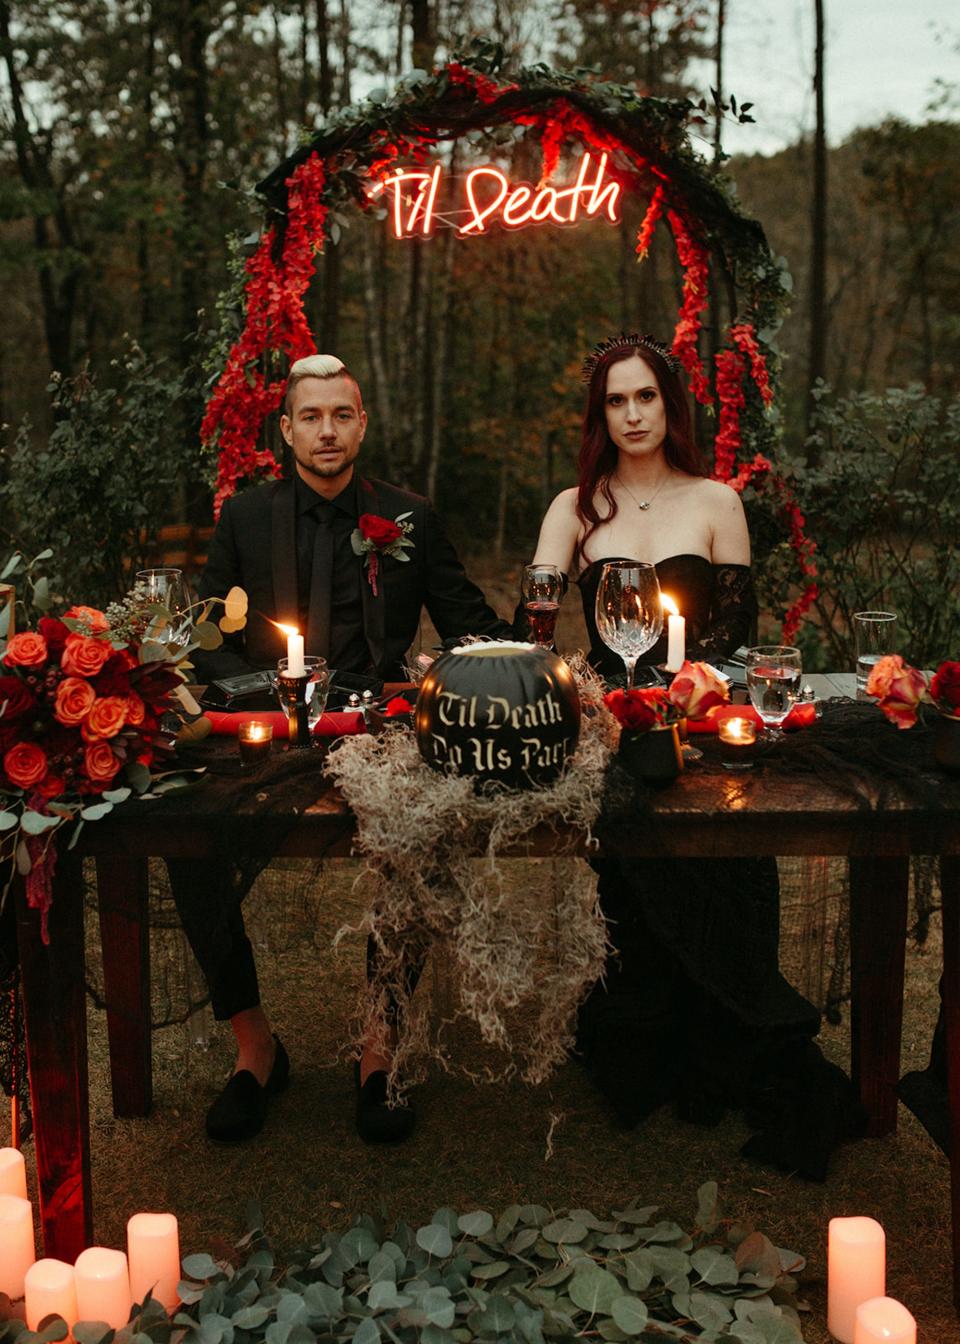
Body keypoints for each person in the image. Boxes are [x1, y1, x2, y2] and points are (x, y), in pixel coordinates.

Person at [527, 333, 864, 1179]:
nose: (633, 414)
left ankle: (733, 1032)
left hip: (705, 722)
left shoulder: (716, 500)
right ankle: (646, 1045)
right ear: (599, 413)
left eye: (647, 398)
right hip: (611, 729)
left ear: (670, 406)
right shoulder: (576, 508)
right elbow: (533, 621)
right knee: (630, 868)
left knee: (728, 857)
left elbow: (733, 645)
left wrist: (696, 690)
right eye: (616, 400)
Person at [176, 352, 512, 1145]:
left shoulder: (409, 517)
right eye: (311, 417)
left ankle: (380, 1043)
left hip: (377, 730)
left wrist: (533, 653)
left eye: (342, 415)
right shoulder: (245, 518)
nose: (327, 431)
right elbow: (205, 643)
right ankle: (254, 1046)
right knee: (183, 834)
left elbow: (466, 620)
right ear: (285, 429)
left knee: (420, 828)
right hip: (267, 728)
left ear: (362, 422)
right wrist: (256, 697)